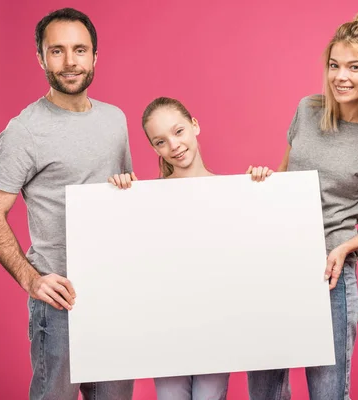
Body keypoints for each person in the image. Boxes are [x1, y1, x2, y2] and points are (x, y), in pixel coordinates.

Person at [246, 11, 358, 400]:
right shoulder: (308, 110)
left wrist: (346, 246)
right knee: (265, 391)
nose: (341, 76)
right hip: (276, 265)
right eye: (335, 65)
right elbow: (286, 174)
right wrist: (263, 179)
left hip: (329, 274)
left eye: (354, 67)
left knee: (328, 393)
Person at [0, 8, 135, 400]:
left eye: (80, 50)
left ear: (95, 57)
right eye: (57, 51)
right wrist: (32, 279)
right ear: (41, 58)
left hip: (114, 295)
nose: (70, 62)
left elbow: (124, 200)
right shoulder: (25, 130)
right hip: (59, 303)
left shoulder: (115, 120)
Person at [109, 96, 272, 400]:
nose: (174, 145)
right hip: (165, 328)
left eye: (179, 131)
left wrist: (263, 188)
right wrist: (118, 195)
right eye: (161, 141)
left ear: (195, 125)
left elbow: (252, 253)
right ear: (155, 148)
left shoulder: (233, 191)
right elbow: (133, 261)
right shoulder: (145, 199)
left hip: (216, 325)